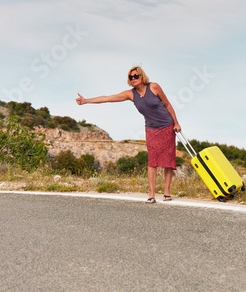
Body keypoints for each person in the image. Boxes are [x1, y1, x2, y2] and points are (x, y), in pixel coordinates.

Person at [76, 66, 182, 204]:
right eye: (131, 77)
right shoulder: (131, 94)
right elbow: (108, 98)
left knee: (168, 161)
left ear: (142, 77)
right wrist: (86, 101)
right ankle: (152, 194)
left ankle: (167, 192)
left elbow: (167, 104)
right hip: (151, 130)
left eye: (136, 76)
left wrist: (176, 123)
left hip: (167, 126)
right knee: (152, 161)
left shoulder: (154, 87)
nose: (133, 79)